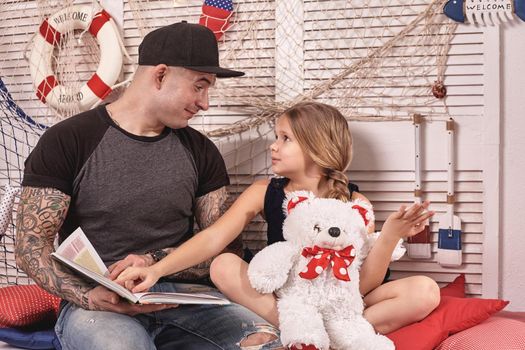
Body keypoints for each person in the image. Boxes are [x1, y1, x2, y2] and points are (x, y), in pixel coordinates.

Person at [15, 21, 282, 350]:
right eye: (200, 86)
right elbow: (30, 246)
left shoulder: (201, 151)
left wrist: (153, 260)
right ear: (160, 75)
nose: (205, 103)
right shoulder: (68, 140)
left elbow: (226, 249)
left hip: (187, 299)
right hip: (98, 303)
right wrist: (88, 295)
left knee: (270, 342)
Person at [116, 101, 441, 339]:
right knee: (223, 265)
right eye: (277, 136)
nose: (273, 146)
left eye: (285, 138)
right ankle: (306, 332)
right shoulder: (265, 192)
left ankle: (330, 335)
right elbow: (215, 238)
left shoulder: (355, 204)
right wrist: (155, 269)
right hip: (288, 299)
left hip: (344, 301)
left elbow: (363, 284)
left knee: (425, 291)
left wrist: (390, 237)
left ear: (317, 147)